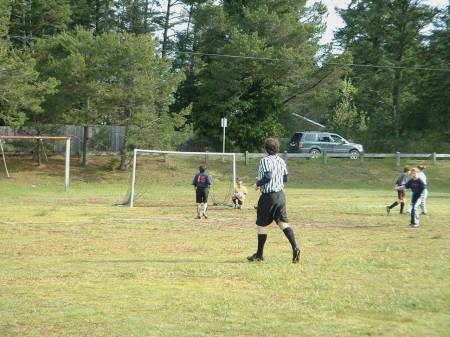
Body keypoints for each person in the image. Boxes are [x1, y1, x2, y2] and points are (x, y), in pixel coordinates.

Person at [247, 138, 301, 263]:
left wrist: (258, 183)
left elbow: (267, 176)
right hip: (281, 195)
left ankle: (259, 254)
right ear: (277, 148)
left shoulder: (265, 160)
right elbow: (285, 178)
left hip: (268, 196)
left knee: (261, 224)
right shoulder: (281, 160)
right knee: (283, 223)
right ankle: (295, 247)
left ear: (266, 148)